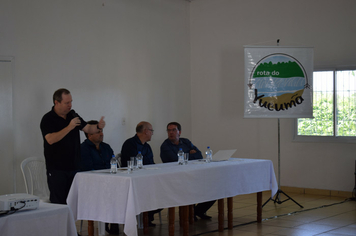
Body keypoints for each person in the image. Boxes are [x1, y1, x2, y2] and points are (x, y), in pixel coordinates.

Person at [40, 88, 106, 205]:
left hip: (74, 167)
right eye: (67, 103)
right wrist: (69, 127)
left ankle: (71, 224)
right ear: (56, 102)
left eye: (71, 102)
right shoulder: (47, 119)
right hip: (57, 168)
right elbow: (50, 139)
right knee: (59, 204)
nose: (70, 105)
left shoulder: (73, 115)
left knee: (73, 203)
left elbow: (88, 128)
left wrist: (98, 126)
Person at [160, 122, 215, 221]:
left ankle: (197, 211)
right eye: (169, 130)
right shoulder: (165, 146)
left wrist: (185, 156)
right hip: (175, 177)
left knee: (213, 187)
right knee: (191, 188)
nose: (171, 132)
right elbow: (174, 160)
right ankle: (191, 213)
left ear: (179, 132)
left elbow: (199, 155)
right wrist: (189, 154)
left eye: (173, 130)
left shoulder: (185, 141)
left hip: (192, 173)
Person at [80, 120, 118, 235]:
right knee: (110, 193)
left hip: (109, 181)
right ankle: (109, 221)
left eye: (102, 131)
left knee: (122, 190)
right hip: (92, 184)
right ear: (89, 134)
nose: (102, 134)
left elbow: (114, 163)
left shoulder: (106, 147)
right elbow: (88, 169)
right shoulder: (83, 149)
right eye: (98, 132)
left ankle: (114, 222)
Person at [120, 121, 161, 226]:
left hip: (146, 178)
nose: (152, 133)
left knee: (163, 191)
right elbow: (132, 165)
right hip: (133, 180)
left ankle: (147, 216)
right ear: (146, 131)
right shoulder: (130, 144)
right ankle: (143, 216)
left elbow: (151, 163)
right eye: (151, 131)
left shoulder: (147, 146)